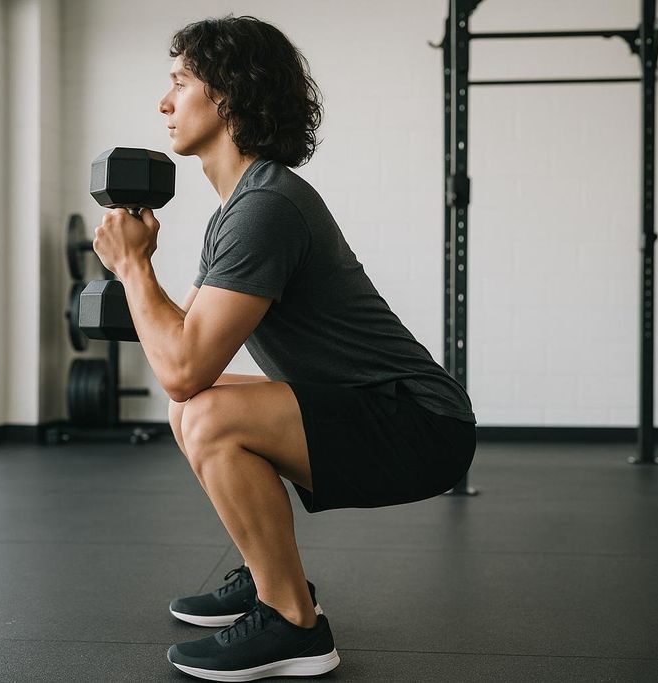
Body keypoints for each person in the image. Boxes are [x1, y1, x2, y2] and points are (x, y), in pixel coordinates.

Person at [91, 14, 477, 682]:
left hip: (421, 422)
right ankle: (273, 575)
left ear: (230, 95)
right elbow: (184, 344)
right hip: (377, 407)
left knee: (205, 411)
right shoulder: (239, 209)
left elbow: (181, 365)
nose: (163, 101)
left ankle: (292, 621)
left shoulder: (266, 209)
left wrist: (131, 271)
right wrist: (140, 267)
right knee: (195, 409)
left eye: (181, 82)